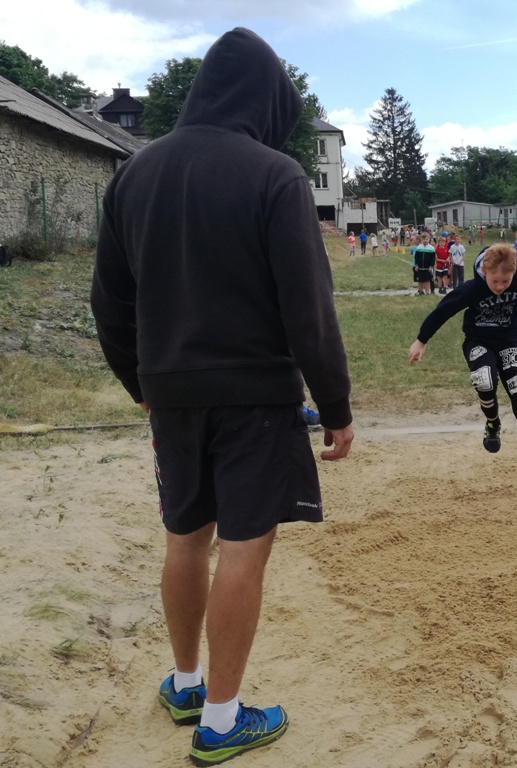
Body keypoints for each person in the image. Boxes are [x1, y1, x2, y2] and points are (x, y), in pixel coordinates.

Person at [89, 28, 354, 766]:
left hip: (171, 395)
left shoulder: (133, 175)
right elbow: (308, 308)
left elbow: (109, 302)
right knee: (244, 548)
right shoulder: (276, 175)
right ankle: (222, 720)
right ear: (264, 100)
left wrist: (141, 384)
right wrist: (334, 406)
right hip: (256, 399)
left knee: (185, 537)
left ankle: (184, 684)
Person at [408, 243, 517, 469]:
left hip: (510, 341)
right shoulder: (472, 289)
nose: (500, 286)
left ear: (514, 272)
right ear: (484, 271)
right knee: (485, 379)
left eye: (506, 281)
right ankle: (492, 423)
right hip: (478, 341)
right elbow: (443, 310)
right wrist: (421, 340)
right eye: (494, 281)